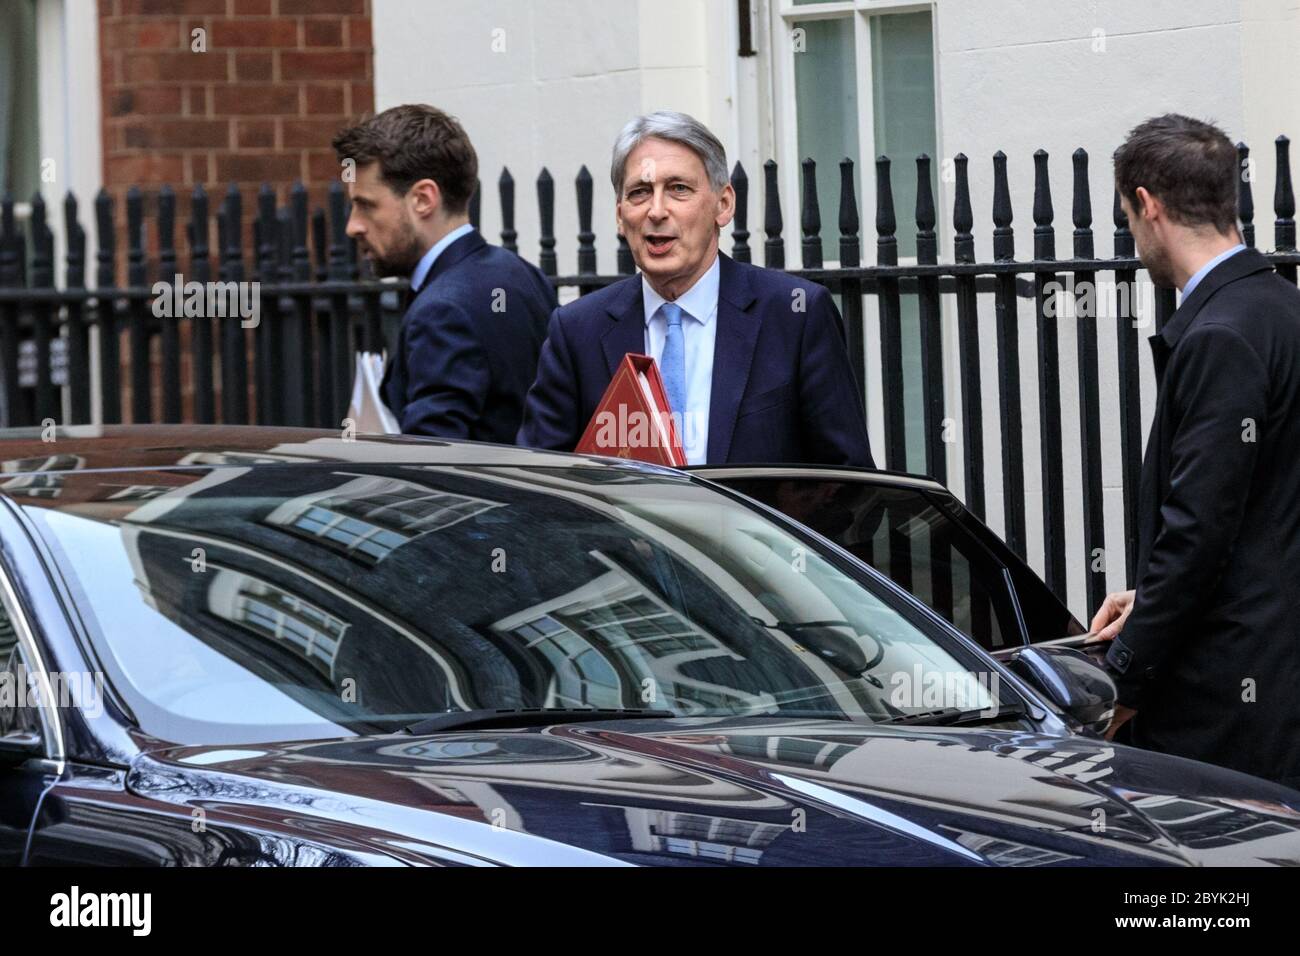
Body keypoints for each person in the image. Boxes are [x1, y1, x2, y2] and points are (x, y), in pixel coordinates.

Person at [1090, 114, 1300, 789]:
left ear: (1147, 204)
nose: (1131, 236)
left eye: (1126, 215)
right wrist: (1148, 596)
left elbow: (1199, 532)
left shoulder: (1221, 335)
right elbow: (1267, 508)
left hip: (1227, 704)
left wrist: (1124, 679)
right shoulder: (1284, 309)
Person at [517, 110, 873, 467]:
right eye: (640, 193)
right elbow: (540, 482)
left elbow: (849, 482)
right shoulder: (577, 330)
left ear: (724, 204)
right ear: (620, 216)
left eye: (678, 189)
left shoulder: (796, 315)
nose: (657, 210)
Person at [332, 105, 557, 440]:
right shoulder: (523, 275)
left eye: (366, 205)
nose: (353, 226)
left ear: (423, 199)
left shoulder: (441, 312)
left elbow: (430, 463)